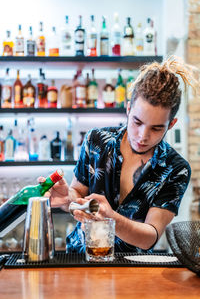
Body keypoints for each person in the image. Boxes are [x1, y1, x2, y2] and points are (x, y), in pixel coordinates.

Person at [39, 56, 197, 253]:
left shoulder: (176, 169)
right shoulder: (96, 141)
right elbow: (78, 194)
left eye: (156, 128)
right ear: (128, 109)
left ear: (171, 125)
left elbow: (150, 236)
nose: (142, 136)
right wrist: (67, 198)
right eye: (137, 122)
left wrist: (111, 218)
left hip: (132, 269)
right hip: (80, 258)